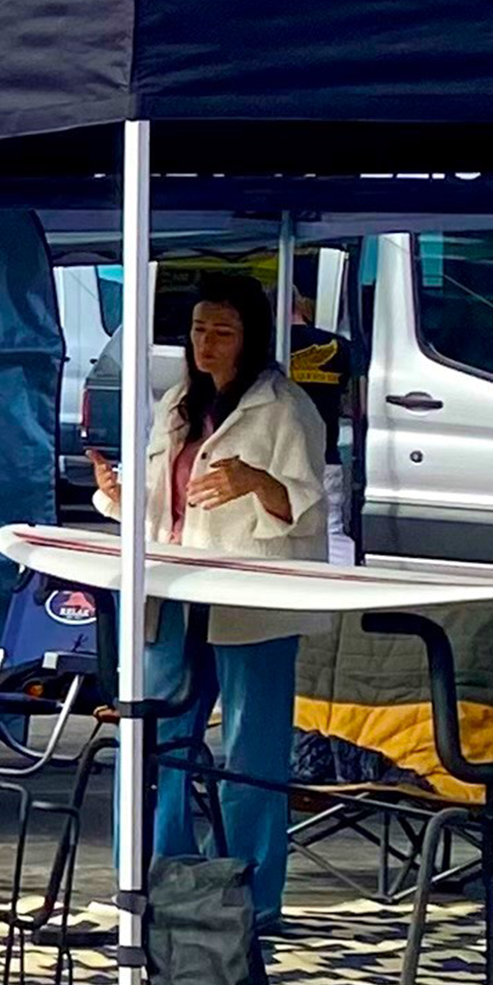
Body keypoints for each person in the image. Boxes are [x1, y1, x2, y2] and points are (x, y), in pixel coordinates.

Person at [99, 262, 322, 931]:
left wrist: (256, 480)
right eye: (199, 330)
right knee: (159, 735)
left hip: (251, 598)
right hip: (174, 590)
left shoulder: (285, 409)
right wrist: (117, 497)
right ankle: (151, 878)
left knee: (253, 748)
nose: (207, 344)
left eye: (223, 332)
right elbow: (162, 501)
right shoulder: (177, 404)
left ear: (250, 337)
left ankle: (252, 895)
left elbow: (308, 511)